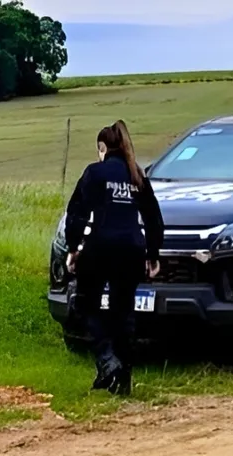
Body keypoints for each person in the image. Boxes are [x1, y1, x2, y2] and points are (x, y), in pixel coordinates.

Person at [64, 120, 164, 396]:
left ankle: (107, 359)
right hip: (132, 249)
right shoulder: (136, 174)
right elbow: (153, 217)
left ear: (102, 148)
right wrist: (153, 254)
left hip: (101, 247)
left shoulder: (95, 172)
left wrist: (73, 248)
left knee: (85, 305)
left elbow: (77, 212)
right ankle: (122, 381)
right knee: (124, 313)